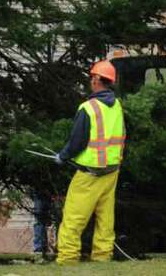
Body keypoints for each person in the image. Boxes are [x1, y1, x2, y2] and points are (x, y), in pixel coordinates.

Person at [53, 60, 125, 264]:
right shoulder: (117, 106)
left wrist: (63, 156)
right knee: (105, 219)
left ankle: (67, 258)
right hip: (111, 172)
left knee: (74, 218)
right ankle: (102, 257)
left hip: (89, 174)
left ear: (95, 79)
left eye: (91, 77)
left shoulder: (89, 108)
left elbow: (77, 141)